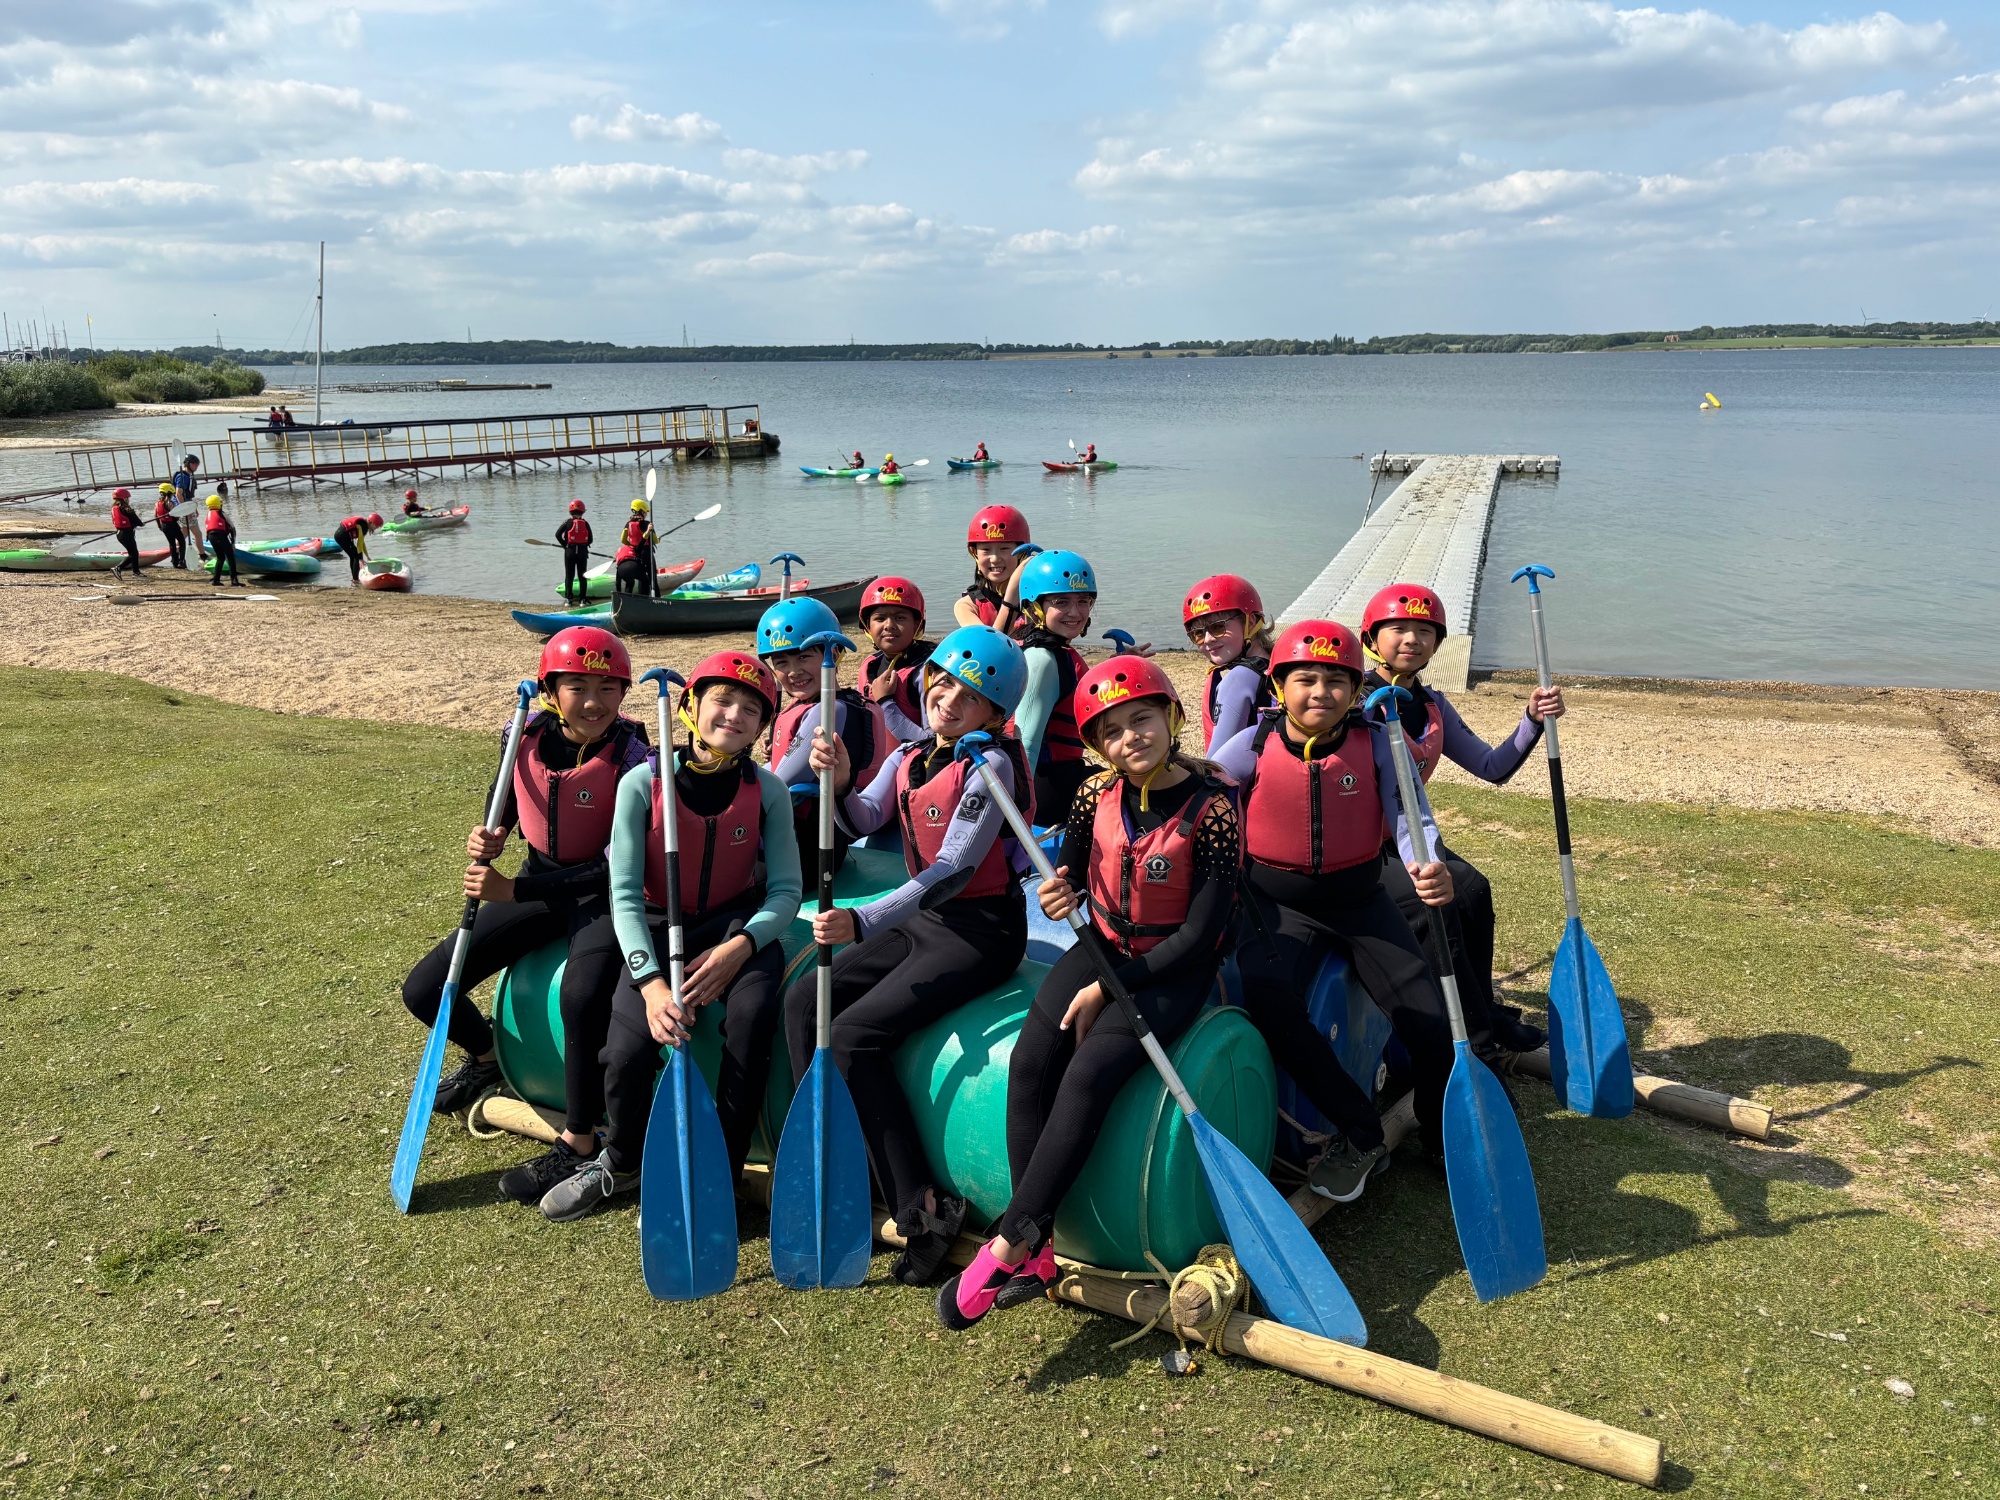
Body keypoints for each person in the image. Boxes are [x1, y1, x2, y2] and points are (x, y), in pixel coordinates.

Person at [940, 657, 1241, 1327]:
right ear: (1098, 745)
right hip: (1101, 945)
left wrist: (1110, 989)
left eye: (1142, 719)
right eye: (1111, 731)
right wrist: (1060, 890)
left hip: (1172, 967)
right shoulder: (1091, 795)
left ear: (1172, 717)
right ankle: (1039, 1251)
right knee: (1029, 1064)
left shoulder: (1216, 811)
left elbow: (1200, 936)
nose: (1130, 737)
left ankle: (1011, 1240)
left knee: (1086, 1076)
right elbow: (1072, 873)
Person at [783, 625, 1033, 1284]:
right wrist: (838, 781)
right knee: (804, 1000)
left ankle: (923, 1208)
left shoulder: (990, 766)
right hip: (926, 920)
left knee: (853, 1037)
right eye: (942, 684)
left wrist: (863, 920)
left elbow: (953, 868)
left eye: (969, 696)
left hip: (980, 931)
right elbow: (861, 820)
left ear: (995, 714)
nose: (948, 700)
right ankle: (832, 1161)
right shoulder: (912, 753)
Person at [541, 651, 803, 1220]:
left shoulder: (769, 790)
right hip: (657, 925)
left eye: (752, 710)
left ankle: (724, 1172)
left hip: (736, 926)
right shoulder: (644, 782)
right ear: (690, 707)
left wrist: (741, 947)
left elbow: (786, 892)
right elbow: (623, 894)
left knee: (752, 1016)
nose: (734, 715)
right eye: (722, 701)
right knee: (626, 1054)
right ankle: (622, 1163)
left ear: (763, 727)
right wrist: (653, 985)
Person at [400, 628, 655, 1206]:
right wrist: (490, 835)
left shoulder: (636, 757)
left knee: (582, 999)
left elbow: (617, 866)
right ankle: (487, 1056)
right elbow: (507, 801)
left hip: (603, 896)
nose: (594, 701)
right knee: (423, 990)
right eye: (577, 687)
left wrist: (513, 890)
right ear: (550, 691)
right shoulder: (522, 734)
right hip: (536, 882)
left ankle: (580, 1139)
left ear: (623, 693)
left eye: (607, 688)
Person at [1210, 619, 1458, 1202]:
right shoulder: (1251, 745)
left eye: (1336, 681)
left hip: (1359, 899)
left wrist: (1427, 862)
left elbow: (1411, 814)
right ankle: (1362, 1133)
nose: (1321, 692)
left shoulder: (1378, 742)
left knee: (1428, 1018)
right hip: (1274, 904)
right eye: (1306, 679)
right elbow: (1202, 793)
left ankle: (1441, 1132)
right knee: (1271, 1006)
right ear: (1279, 686)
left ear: (1355, 689)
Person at [1360, 583, 1564, 1056]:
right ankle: (1471, 1037)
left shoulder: (1432, 705)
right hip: (1360, 845)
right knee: (1438, 905)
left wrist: (1532, 719)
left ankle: (1483, 1009)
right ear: (1370, 637)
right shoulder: (1354, 700)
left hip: (1404, 838)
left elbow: (1492, 767)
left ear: (1437, 644)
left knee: (1473, 889)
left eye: (1425, 631)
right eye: (1398, 628)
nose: (1412, 639)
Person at [756, 596, 890, 880]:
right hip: (811, 844)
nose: (794, 671)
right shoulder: (833, 704)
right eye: (781, 662)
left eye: (804, 657)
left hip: (803, 852)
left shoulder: (829, 710)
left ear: (835, 653)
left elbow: (780, 785)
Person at [1014, 548, 1107, 821]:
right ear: (1034, 607)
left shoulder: (1052, 650)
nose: (1075, 612)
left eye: (1083, 601)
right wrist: (1017, 817)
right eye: (1061, 602)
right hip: (1047, 788)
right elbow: (1026, 743)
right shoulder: (1041, 659)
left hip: (1058, 777)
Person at [1183, 574, 1276, 755]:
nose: (1208, 639)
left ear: (1250, 622)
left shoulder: (1238, 679)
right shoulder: (1280, 665)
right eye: (1198, 634)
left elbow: (1217, 764)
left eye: (1218, 627)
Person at [857, 576, 935, 743]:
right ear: (867, 626)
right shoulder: (869, 665)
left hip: (913, 760)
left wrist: (885, 703)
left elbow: (932, 743)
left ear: (916, 624)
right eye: (880, 618)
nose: (889, 625)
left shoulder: (927, 673)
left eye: (900, 618)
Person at [953, 504, 1031, 633]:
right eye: (986, 550)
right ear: (975, 553)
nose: (995, 559)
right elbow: (990, 643)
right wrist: (1011, 599)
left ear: (1022, 552)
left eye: (1004, 548)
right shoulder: (966, 606)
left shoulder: (1036, 600)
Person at [613, 499, 656, 597]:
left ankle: (630, 598)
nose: (646, 514)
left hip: (635, 554)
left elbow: (623, 540)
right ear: (642, 511)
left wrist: (632, 546)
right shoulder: (647, 524)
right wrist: (658, 539)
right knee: (651, 579)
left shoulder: (628, 523)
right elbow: (655, 540)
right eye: (646, 512)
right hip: (647, 553)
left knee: (636, 580)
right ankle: (654, 598)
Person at [556, 500, 594, 605]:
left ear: (570, 511)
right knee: (582, 576)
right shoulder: (586, 523)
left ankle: (569, 599)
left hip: (570, 552)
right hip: (582, 552)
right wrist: (583, 545)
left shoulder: (567, 522)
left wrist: (565, 545)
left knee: (569, 575)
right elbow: (590, 539)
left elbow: (557, 535)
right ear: (583, 511)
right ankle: (582, 600)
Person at [172, 456, 206, 560]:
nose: (196, 467)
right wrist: (186, 510)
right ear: (188, 464)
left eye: (197, 465)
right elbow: (178, 493)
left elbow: (187, 495)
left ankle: (175, 554)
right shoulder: (182, 477)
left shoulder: (188, 476)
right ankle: (202, 555)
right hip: (183, 509)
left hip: (186, 507)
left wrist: (193, 508)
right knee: (197, 533)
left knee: (184, 533)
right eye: (194, 464)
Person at [202, 494, 241, 587]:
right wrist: (233, 543)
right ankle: (234, 581)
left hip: (211, 537)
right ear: (219, 504)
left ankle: (216, 579)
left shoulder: (208, 515)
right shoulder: (222, 513)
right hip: (221, 536)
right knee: (230, 557)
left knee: (220, 557)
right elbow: (232, 528)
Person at [332, 511, 381, 583]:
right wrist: (360, 558)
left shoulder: (363, 524)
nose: (376, 528)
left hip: (341, 535)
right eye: (376, 526)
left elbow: (362, 542)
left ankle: (354, 578)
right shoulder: (364, 527)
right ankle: (356, 579)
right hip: (342, 536)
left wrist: (367, 556)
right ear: (372, 522)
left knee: (354, 555)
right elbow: (359, 543)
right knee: (356, 556)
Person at [109, 488, 145, 580]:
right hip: (127, 534)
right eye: (128, 498)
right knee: (134, 554)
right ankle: (118, 568)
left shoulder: (114, 508)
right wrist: (142, 524)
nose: (128, 499)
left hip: (119, 534)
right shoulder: (127, 509)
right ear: (124, 498)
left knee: (133, 553)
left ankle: (136, 572)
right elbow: (138, 522)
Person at [153, 483, 187, 570]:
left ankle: (174, 562)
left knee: (172, 544)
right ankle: (181, 561)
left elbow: (156, 516)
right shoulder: (170, 503)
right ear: (169, 493)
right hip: (173, 525)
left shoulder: (157, 503)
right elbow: (175, 516)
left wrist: (159, 526)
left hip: (164, 526)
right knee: (182, 541)